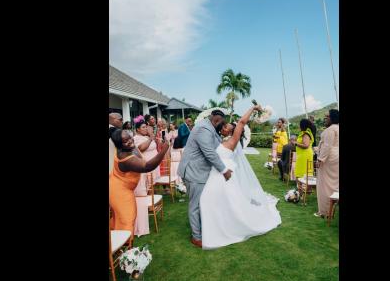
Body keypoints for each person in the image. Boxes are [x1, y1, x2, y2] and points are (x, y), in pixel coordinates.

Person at [200, 104, 282, 249]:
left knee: (216, 201)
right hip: (216, 174)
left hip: (223, 175)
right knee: (210, 201)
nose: (224, 128)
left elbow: (242, 122)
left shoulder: (233, 141)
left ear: (234, 132)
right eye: (224, 127)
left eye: (228, 127)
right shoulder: (220, 140)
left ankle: (224, 229)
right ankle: (216, 227)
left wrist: (252, 108)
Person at [177, 110, 232, 248]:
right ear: (217, 121)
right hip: (194, 172)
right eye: (223, 124)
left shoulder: (209, 127)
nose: (223, 127)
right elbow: (209, 152)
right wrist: (224, 170)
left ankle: (203, 229)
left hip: (200, 171)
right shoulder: (204, 128)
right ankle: (196, 237)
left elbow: (217, 145)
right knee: (195, 205)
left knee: (201, 202)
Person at [109, 129, 169, 234]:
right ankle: (127, 249)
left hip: (120, 187)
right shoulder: (125, 157)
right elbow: (147, 166)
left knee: (119, 219)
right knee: (128, 219)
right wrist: (164, 150)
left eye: (129, 137)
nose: (130, 141)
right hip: (119, 191)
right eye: (125, 141)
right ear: (119, 145)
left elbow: (139, 147)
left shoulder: (130, 147)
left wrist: (151, 138)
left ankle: (118, 247)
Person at [132, 119, 160, 236]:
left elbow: (154, 146)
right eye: (143, 127)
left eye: (145, 127)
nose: (145, 129)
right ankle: (148, 206)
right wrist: (150, 138)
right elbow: (141, 149)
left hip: (152, 163)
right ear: (137, 129)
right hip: (145, 164)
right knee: (146, 185)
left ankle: (150, 205)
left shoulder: (147, 136)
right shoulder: (136, 138)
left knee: (150, 184)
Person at [314, 109, 339, 218]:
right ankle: (331, 209)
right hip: (336, 158)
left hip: (328, 159)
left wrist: (320, 159)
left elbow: (327, 146)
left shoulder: (331, 130)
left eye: (327, 117)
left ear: (332, 117)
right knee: (334, 184)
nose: (325, 119)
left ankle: (324, 211)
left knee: (324, 185)